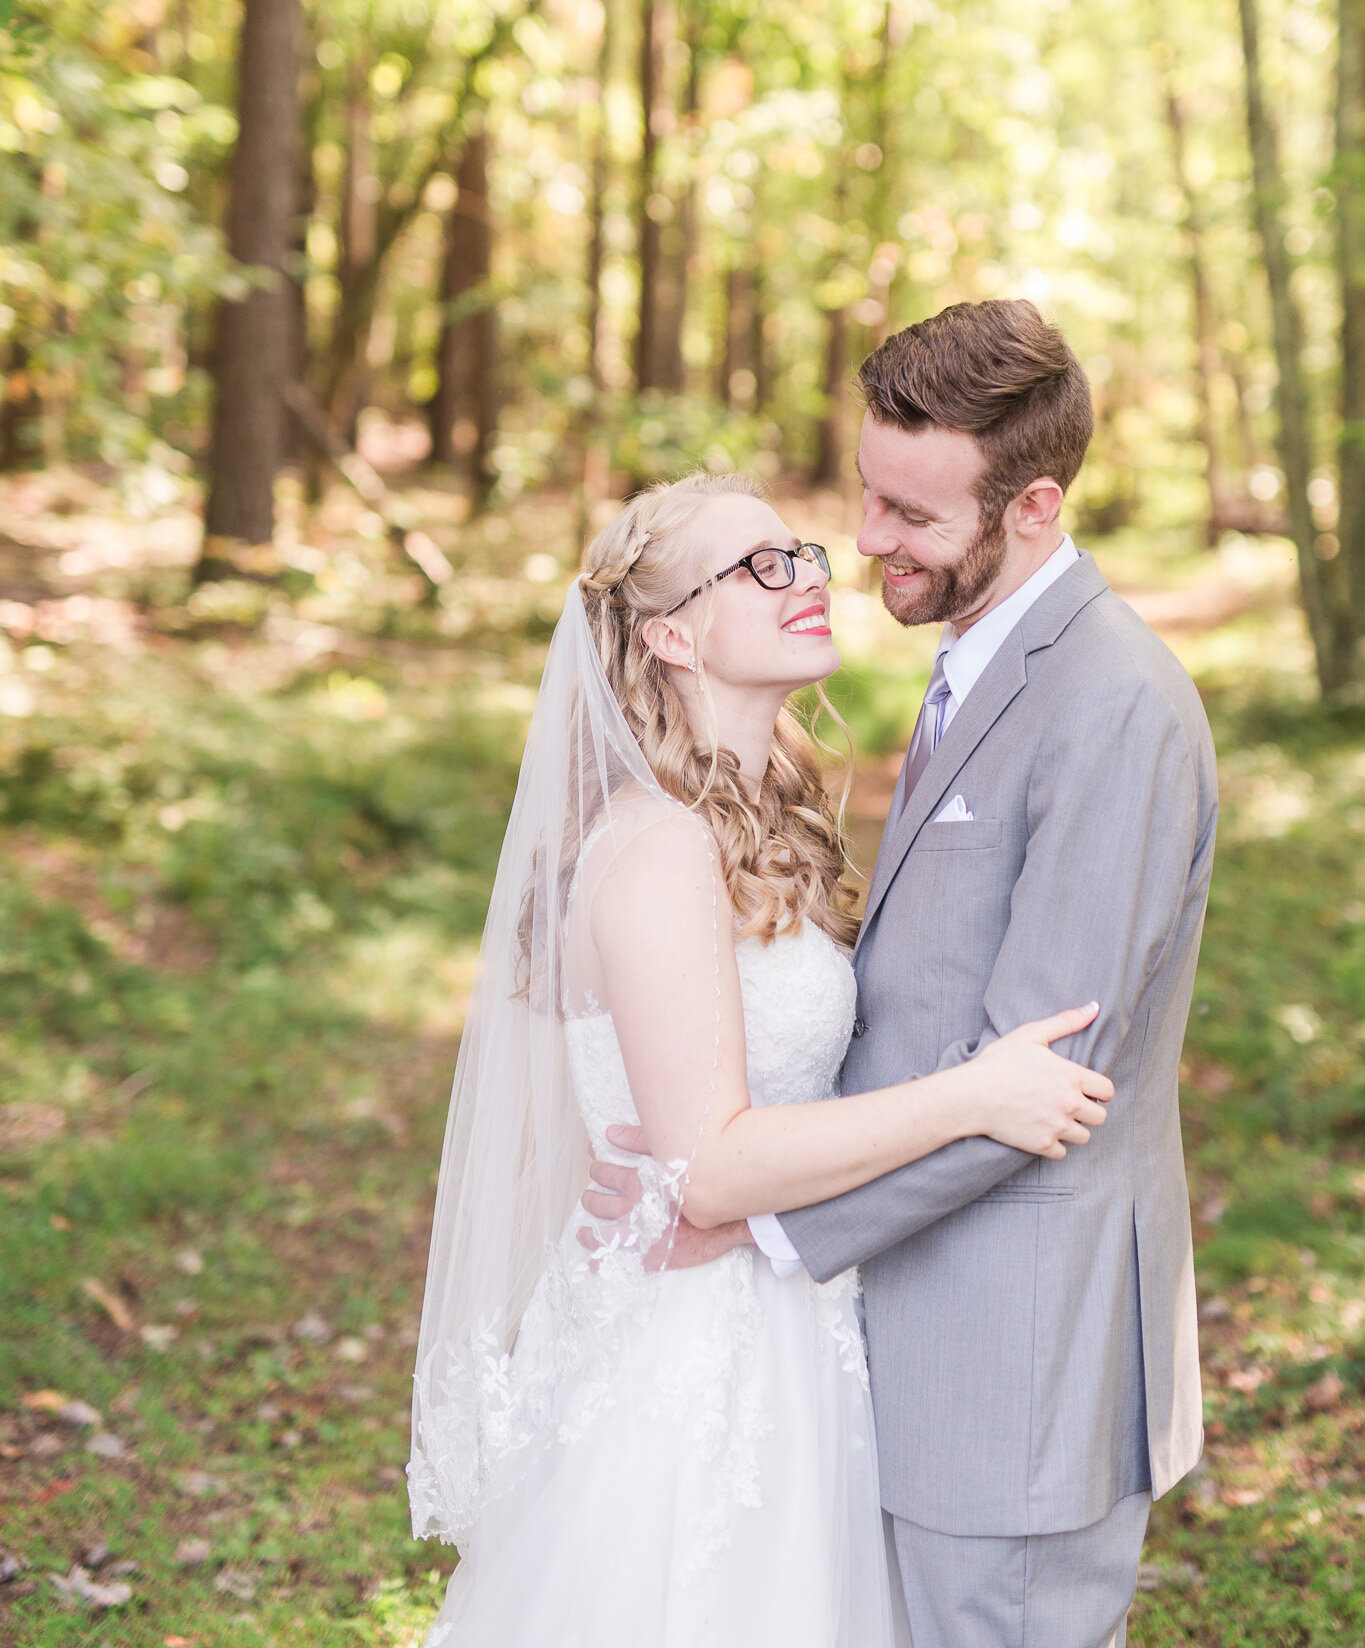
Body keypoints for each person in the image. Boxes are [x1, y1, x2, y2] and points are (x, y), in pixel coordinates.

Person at [590, 298, 1219, 1648]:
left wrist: (758, 1225)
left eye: (912, 517)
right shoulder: (966, 675)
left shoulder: (1108, 704)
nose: (866, 544)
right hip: (902, 1336)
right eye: (868, 497)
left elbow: (1038, 1078)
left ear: (1034, 507)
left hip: (1015, 1363)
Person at [407, 463, 1114, 1647]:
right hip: (698, 1350)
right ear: (674, 634)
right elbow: (714, 1169)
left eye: (803, 554)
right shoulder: (657, 849)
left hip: (794, 1309)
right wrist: (974, 1095)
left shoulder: (763, 820)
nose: (808, 577)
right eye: (760, 566)